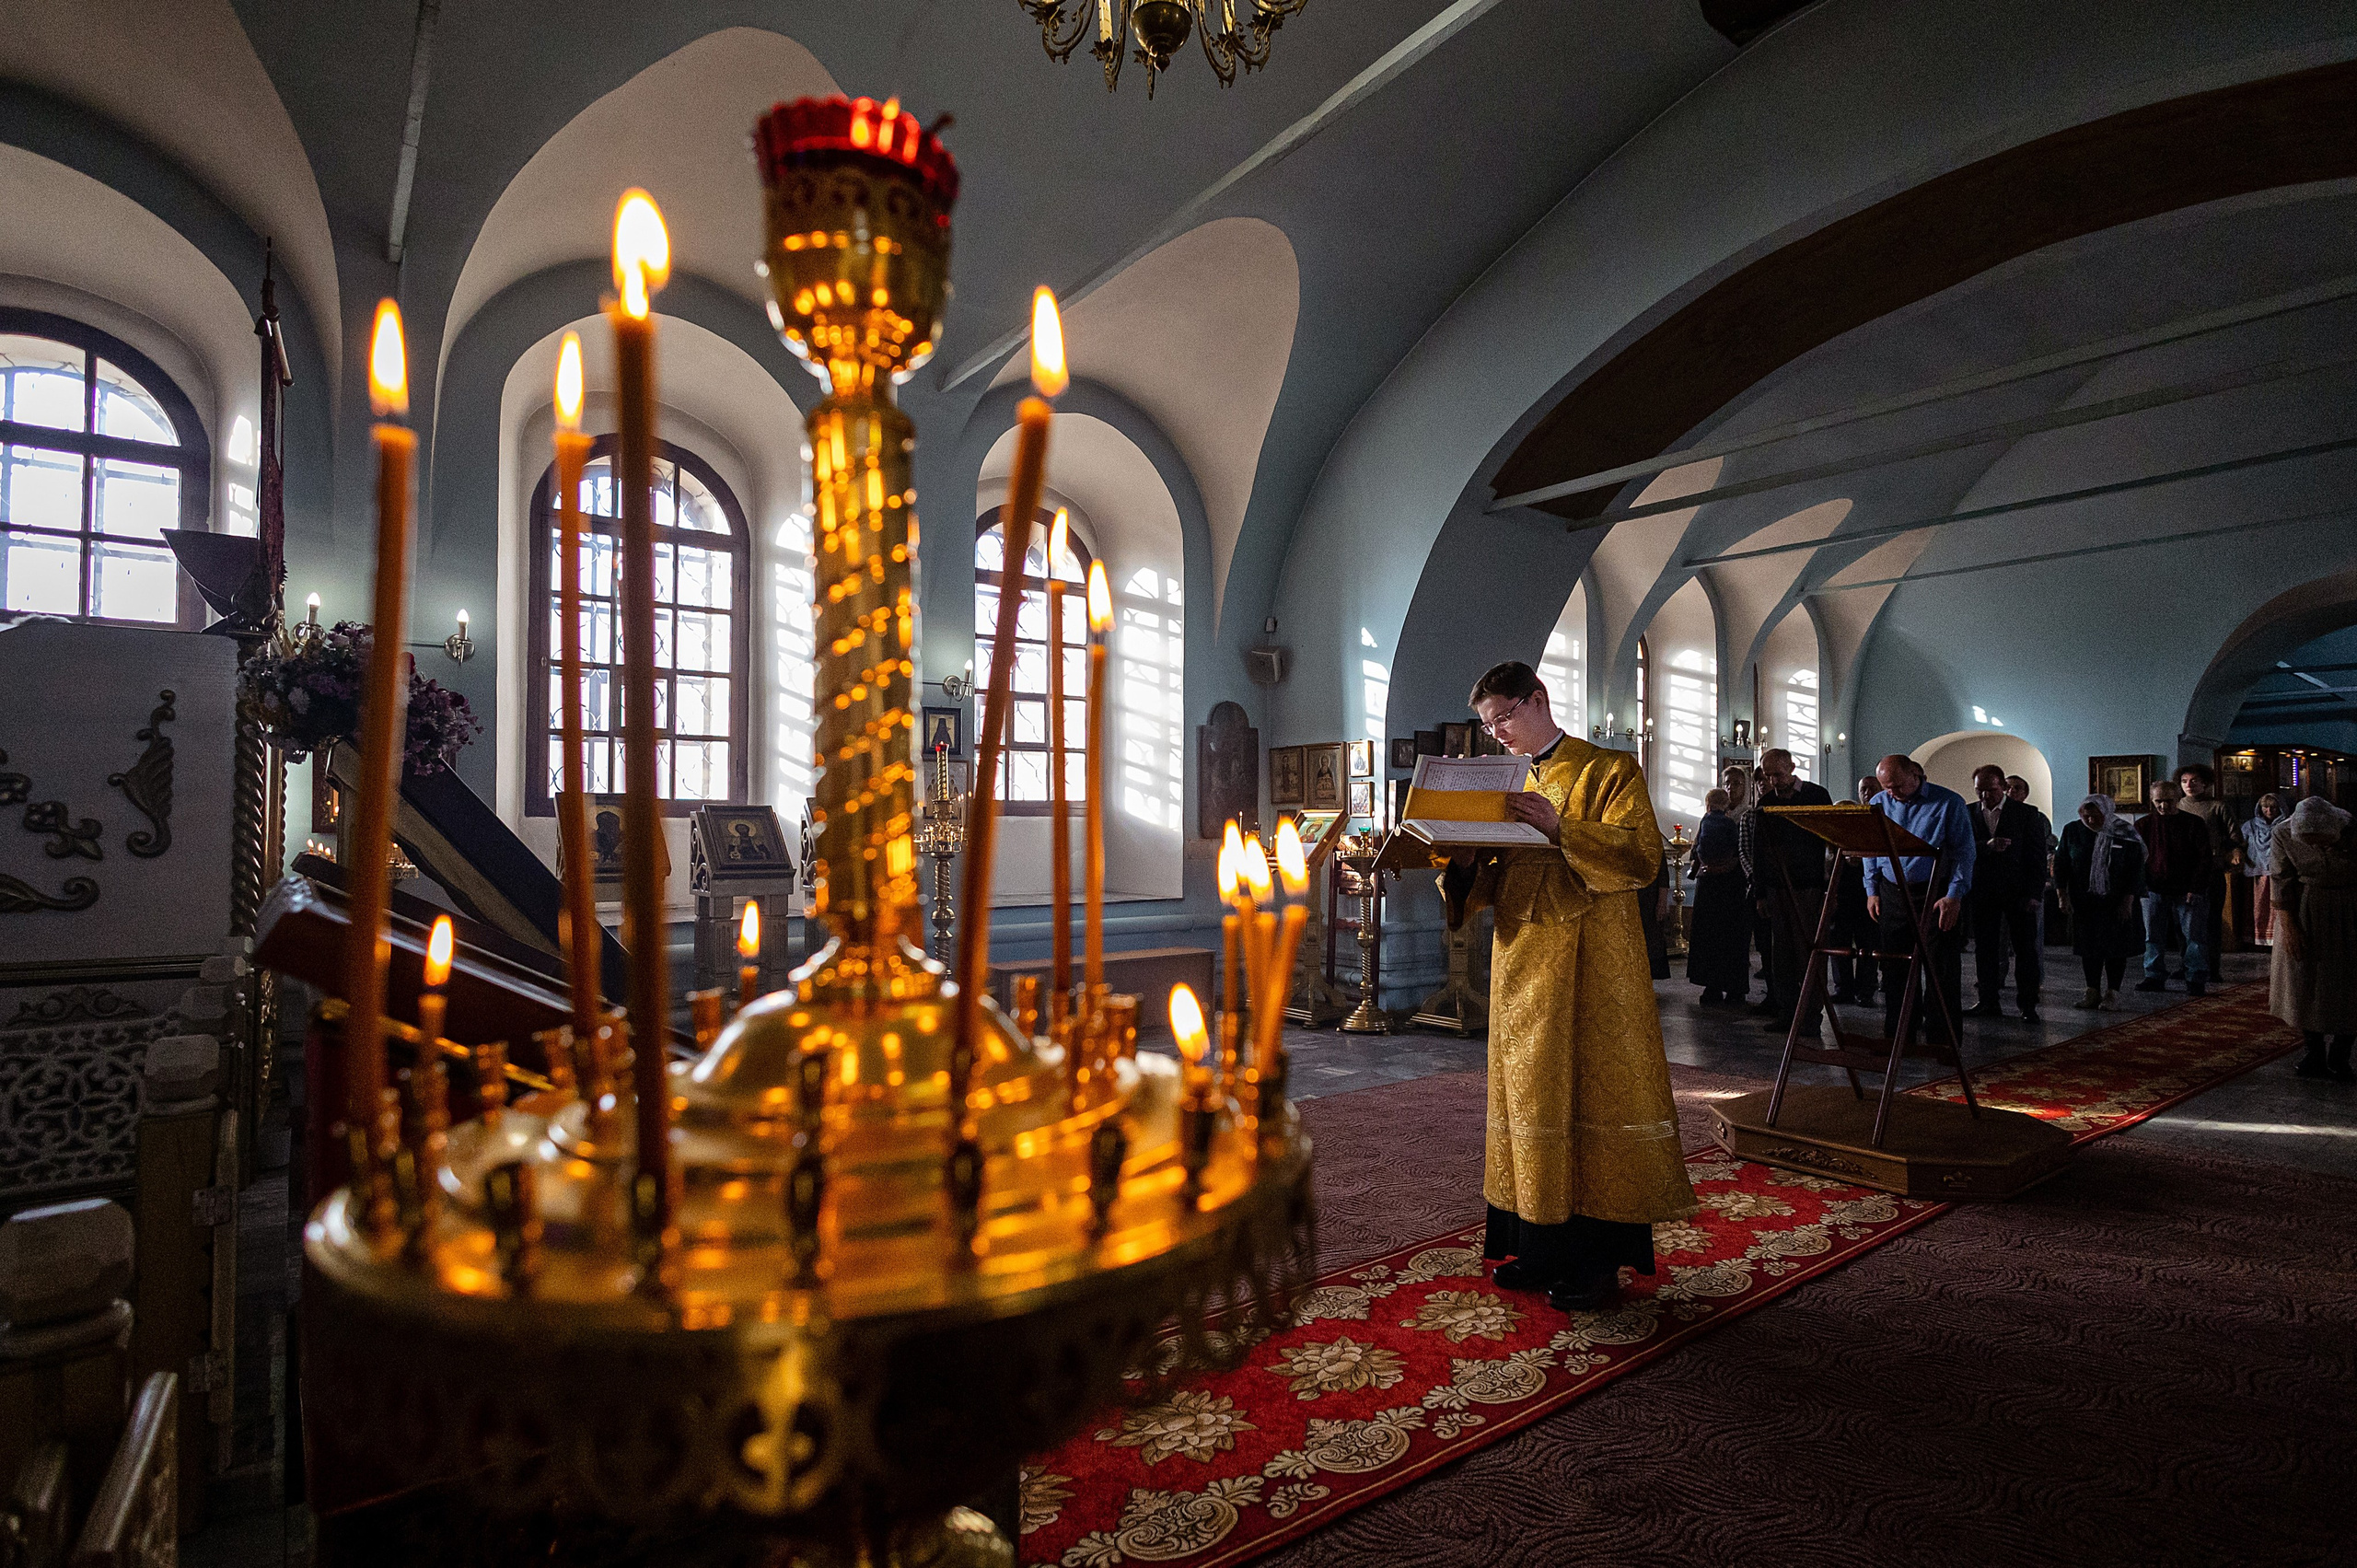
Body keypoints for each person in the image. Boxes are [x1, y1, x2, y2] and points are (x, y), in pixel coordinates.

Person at [1443, 661, 1697, 1313]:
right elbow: (1491, 878)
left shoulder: (1609, 769)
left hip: (1591, 963)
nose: (1496, 732)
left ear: (1537, 700)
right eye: (1487, 723)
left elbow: (1641, 857)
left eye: (1502, 716)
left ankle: (1594, 1263)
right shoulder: (1503, 781)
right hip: (1520, 957)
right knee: (1528, 1103)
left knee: (1590, 1094)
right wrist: (1466, 859)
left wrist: (1560, 828)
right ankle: (1538, 1247)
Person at [1861, 754, 1975, 1051]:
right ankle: (1900, 1037)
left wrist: (1954, 895)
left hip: (1936, 893)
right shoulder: (1878, 804)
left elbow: (1964, 852)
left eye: (1897, 786)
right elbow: (1871, 851)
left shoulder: (1949, 803)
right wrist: (1871, 890)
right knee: (1894, 968)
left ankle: (1943, 1041)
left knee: (1941, 970)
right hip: (1891, 893)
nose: (1891, 793)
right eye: (1886, 787)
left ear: (1916, 775)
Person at [1745, 749, 1834, 1036]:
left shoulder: (1816, 796)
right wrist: (1760, 892)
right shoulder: (1767, 802)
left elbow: (1829, 840)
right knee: (1780, 953)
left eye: (1778, 774)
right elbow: (1759, 849)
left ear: (1792, 768)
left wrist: (1825, 888)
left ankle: (1811, 1016)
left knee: (1808, 952)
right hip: (1776, 888)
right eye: (1768, 775)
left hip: (1807, 888)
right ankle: (1787, 1013)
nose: (1774, 780)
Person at [2269, 795, 2357, 1082]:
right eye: (2311, 842)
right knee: (2304, 980)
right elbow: (2281, 879)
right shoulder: (2282, 832)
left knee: (2348, 982)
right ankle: (2314, 1051)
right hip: (2306, 906)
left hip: (2350, 904)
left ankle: (2341, 1054)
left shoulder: (2352, 828)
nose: (2317, 847)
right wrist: (2290, 927)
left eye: (2323, 841)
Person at [1966, 763, 2048, 1023]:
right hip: (1983, 892)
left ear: (2002, 786)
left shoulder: (2026, 814)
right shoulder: (1968, 813)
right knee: (1986, 950)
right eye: (1979, 790)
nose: (1984, 796)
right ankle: (1988, 1001)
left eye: (1990, 790)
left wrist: (2035, 893)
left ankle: (2028, 1005)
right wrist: (1986, 847)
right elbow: (1963, 848)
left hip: (2018, 892)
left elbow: (2036, 857)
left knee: (2025, 950)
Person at [2055, 794, 2145, 1009]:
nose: (2091, 821)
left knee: (2116, 948)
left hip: (2117, 901)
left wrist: (2127, 901)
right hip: (2085, 901)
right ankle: (2092, 990)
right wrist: (2062, 895)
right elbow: (2061, 864)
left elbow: (2136, 869)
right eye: (2086, 817)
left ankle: (2113, 992)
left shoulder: (2124, 832)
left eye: (2096, 816)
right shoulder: (2073, 831)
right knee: (2089, 948)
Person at [2135, 781, 2214, 995]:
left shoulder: (2193, 823)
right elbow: (2137, 859)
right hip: (2153, 888)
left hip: (2187, 888)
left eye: (2168, 801)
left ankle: (2195, 978)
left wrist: (2196, 887)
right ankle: (2153, 975)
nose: (2163, 806)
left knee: (2194, 936)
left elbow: (2204, 858)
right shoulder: (2143, 825)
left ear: (2177, 799)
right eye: (2158, 801)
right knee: (2152, 935)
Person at [1687, 787, 1749, 1005]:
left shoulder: (1739, 817)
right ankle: (1714, 985)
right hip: (1715, 886)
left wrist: (1710, 865)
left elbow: (1700, 850)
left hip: (1730, 887)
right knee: (1710, 937)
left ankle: (1733, 987)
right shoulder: (1728, 822)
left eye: (1736, 782)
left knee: (1729, 938)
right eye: (1728, 783)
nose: (1732, 787)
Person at [1831, 773, 1881, 1006]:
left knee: (1867, 944)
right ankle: (1843, 988)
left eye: (1872, 788)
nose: (1867, 793)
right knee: (1839, 942)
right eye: (1864, 789)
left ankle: (1866, 990)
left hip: (1868, 894)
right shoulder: (1839, 828)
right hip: (1842, 892)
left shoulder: (1878, 820)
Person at [2176, 763, 2234, 954]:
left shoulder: (2217, 806)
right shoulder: (2176, 806)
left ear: (2205, 783)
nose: (2189, 785)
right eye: (2184, 781)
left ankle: (2212, 966)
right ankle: (2186, 964)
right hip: (2183, 872)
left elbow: (2234, 838)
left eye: (2194, 781)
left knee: (2211, 920)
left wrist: (2231, 853)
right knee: (2182, 921)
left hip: (2211, 870)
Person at [2236, 792, 2283, 947]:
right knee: (2257, 906)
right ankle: (2256, 939)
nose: (2269, 811)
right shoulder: (2250, 825)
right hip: (2256, 871)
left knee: (2275, 906)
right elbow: (2240, 844)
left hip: (2277, 873)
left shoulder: (2284, 826)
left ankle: (2274, 940)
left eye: (2273, 808)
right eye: (2265, 808)